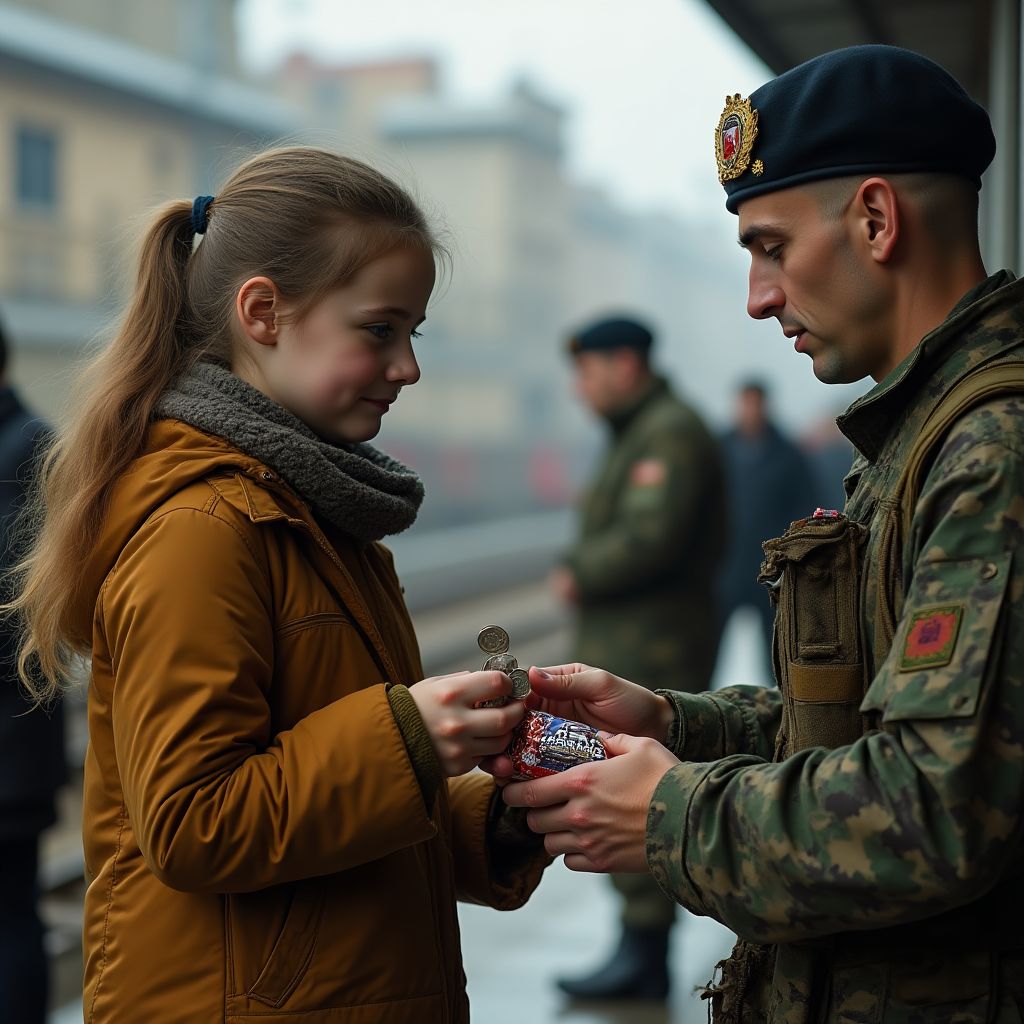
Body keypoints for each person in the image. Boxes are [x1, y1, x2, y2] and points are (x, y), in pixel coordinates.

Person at [490, 45, 1024, 1021]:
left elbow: (933, 811)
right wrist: (674, 725)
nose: (758, 296)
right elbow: (867, 730)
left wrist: (667, 809)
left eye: (770, 246)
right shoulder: (920, 437)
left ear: (874, 219)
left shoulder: (992, 445)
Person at [6, 147, 550, 1023]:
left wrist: (497, 819)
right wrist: (412, 734)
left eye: (414, 333)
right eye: (379, 330)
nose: (407, 366)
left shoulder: (309, 508)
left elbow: (332, 811)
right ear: (262, 312)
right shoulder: (203, 530)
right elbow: (196, 822)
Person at [549, 315, 726, 1000]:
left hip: (657, 649)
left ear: (625, 365)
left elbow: (651, 538)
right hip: (638, 643)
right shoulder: (644, 430)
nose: (580, 390)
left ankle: (645, 953)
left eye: (588, 373)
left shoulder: (668, 433)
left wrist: (578, 569)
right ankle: (636, 944)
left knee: (641, 790)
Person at [0, 315, 65, 1024]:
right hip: (15, 743)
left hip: (10, 746)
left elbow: (21, 606)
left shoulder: (26, 448)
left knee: (11, 917)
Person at [718, 379, 817, 678]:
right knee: (707, 646)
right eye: (745, 403)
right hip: (725, 566)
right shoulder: (720, 450)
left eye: (755, 403)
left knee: (774, 651)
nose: (750, 411)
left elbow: (804, 506)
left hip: (770, 568)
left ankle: (775, 708)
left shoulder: (787, 453)